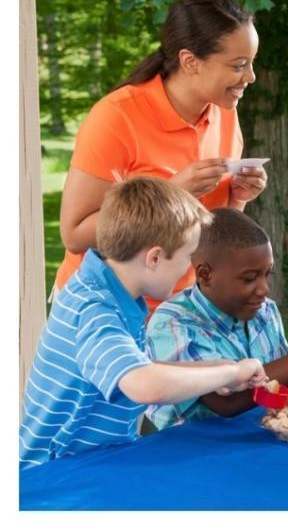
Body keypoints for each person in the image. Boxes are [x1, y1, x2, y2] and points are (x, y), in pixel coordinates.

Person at [20, 178, 267, 469]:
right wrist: (232, 371)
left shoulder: (109, 289)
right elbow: (144, 385)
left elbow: (142, 368)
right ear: (154, 257)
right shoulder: (94, 309)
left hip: (96, 462)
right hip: (55, 474)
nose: (189, 267)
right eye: (187, 256)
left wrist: (218, 370)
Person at [54, 0, 267, 310]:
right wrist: (169, 193)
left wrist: (237, 197)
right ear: (190, 61)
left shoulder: (224, 112)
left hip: (181, 310)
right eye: (238, 65)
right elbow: (74, 235)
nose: (250, 77)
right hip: (104, 308)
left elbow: (208, 232)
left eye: (251, 64)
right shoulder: (116, 116)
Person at [145, 208, 288, 429]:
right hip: (189, 454)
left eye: (267, 274)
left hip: (253, 441)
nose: (264, 289)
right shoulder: (174, 324)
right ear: (206, 275)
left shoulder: (264, 311)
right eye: (249, 278)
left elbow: (273, 376)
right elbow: (228, 403)